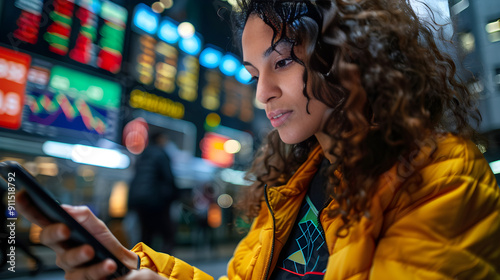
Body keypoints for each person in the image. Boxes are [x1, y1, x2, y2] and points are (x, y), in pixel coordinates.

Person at [16, 0, 500, 279]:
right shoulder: (291, 186)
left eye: (283, 61)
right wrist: (128, 263)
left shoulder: (442, 177)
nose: (263, 92)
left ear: (348, 53)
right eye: (253, 72)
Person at [127, 132, 178, 254]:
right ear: (160, 139)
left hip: (139, 200)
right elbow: (168, 178)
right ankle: (163, 267)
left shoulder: (143, 155)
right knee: (168, 234)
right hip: (156, 200)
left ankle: (142, 265)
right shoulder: (161, 154)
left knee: (146, 235)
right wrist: (174, 195)